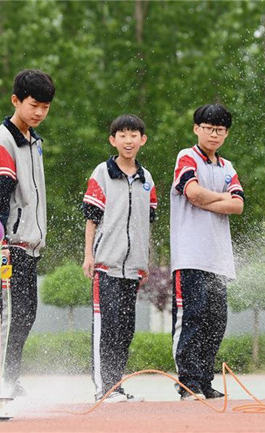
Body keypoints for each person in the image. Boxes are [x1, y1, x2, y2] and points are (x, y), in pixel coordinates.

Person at [0, 69, 55, 397]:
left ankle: (9, 378)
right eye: (33, 105)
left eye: (45, 107)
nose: (39, 112)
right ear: (15, 100)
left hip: (29, 246)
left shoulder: (34, 142)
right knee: (7, 317)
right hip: (8, 245)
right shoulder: (3, 140)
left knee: (25, 316)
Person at [170, 104, 244, 401]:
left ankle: (204, 379)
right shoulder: (187, 157)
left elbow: (238, 205)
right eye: (209, 128)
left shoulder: (228, 167)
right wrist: (220, 198)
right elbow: (192, 192)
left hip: (218, 259)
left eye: (220, 130)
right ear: (196, 129)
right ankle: (188, 382)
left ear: (226, 134)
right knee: (193, 317)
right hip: (190, 255)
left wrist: (207, 199)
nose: (214, 134)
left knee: (216, 321)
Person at [82, 114, 157, 403]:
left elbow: (146, 223)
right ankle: (104, 388)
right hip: (106, 265)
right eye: (122, 135)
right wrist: (89, 254)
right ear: (113, 140)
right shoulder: (102, 173)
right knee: (107, 328)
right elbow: (92, 218)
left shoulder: (146, 179)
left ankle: (117, 385)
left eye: (133, 135)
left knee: (125, 330)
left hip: (133, 269)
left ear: (143, 140)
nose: (128, 140)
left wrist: (145, 261)